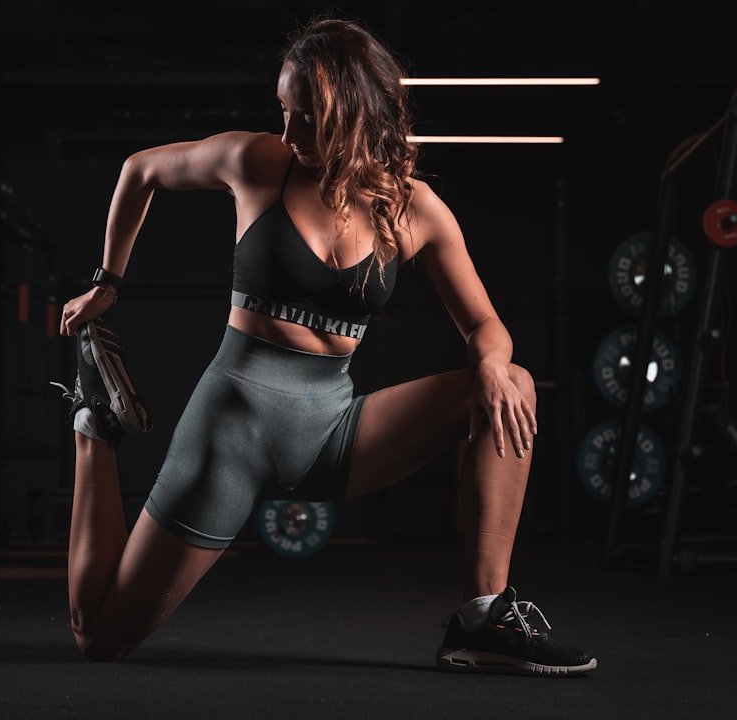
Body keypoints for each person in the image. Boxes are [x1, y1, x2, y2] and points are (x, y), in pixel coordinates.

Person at [55, 16, 596, 676]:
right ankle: (95, 426)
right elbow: (140, 170)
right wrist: (107, 283)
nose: (288, 132)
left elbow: (488, 326)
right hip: (232, 433)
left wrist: (490, 360)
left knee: (507, 383)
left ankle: (483, 619)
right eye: (284, 112)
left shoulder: (413, 209)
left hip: (329, 430)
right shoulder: (259, 164)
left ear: (355, 114)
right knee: (100, 636)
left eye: (305, 118)